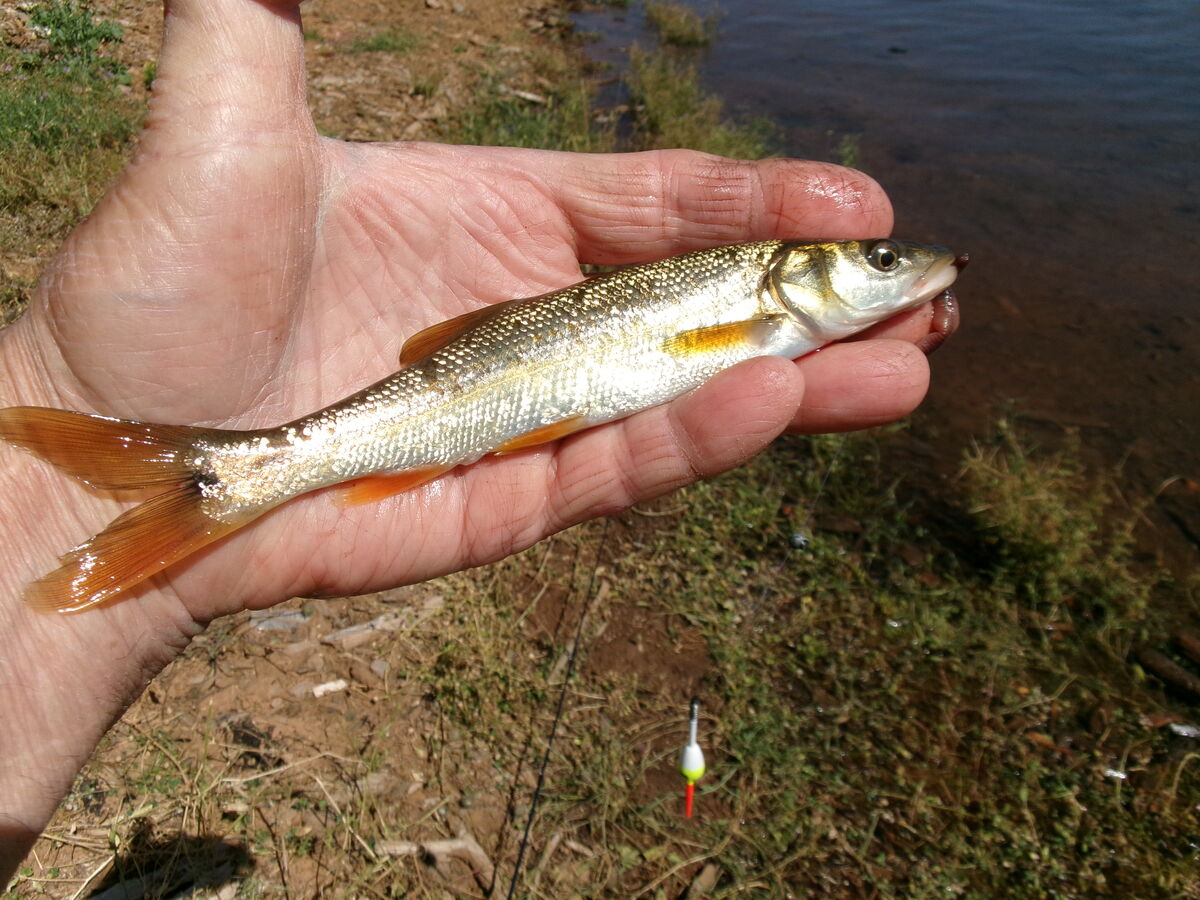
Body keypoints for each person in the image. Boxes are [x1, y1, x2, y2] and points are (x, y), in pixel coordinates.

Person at [0, 0, 942, 880]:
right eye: (882, 263)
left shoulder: (770, 302)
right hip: (463, 400)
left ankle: (185, 485)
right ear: (802, 274)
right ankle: (214, 476)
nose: (903, 272)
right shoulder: (759, 287)